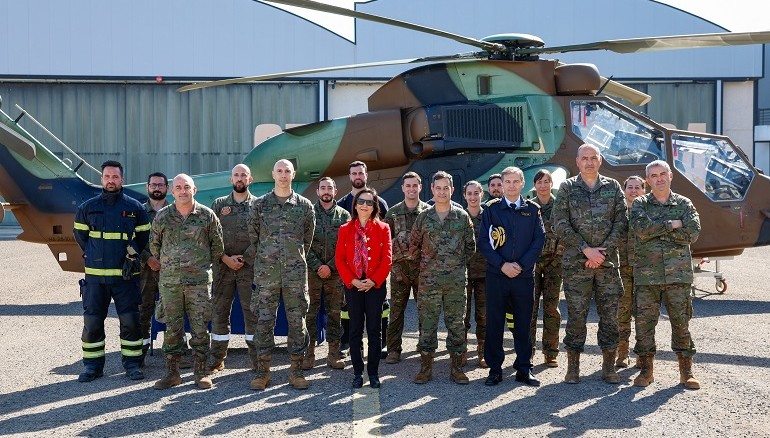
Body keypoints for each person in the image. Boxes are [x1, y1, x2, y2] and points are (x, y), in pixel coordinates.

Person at [552, 143, 627, 384]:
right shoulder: (566, 188)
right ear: (577, 161)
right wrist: (586, 250)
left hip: (606, 265)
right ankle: (573, 368)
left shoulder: (613, 187)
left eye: (593, 158)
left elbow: (621, 221)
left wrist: (601, 253)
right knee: (576, 316)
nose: (589, 162)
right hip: (577, 265)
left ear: (600, 160)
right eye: (584, 158)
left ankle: (609, 367)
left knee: (610, 317)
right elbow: (560, 223)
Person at [73, 160, 151, 382]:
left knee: (130, 322)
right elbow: (81, 237)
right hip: (96, 279)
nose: (111, 181)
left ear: (122, 180)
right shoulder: (87, 208)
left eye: (115, 177)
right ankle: (92, 367)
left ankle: (133, 364)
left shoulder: (135, 208)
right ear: (102, 179)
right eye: (107, 177)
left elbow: (143, 237)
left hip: (126, 278)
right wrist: (96, 254)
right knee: (93, 323)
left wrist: (131, 253)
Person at [630, 160, 701, 389]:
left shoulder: (684, 203)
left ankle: (686, 370)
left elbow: (693, 233)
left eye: (663, 174)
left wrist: (657, 230)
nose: (659, 179)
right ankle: (646, 369)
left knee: (681, 323)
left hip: (678, 275)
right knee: (644, 324)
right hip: (646, 276)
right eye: (653, 175)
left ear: (671, 176)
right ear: (648, 180)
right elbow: (641, 230)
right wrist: (673, 225)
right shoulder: (640, 203)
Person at [151, 174, 224, 390]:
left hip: (199, 283)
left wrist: (198, 265)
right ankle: (172, 374)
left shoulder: (207, 216)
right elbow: (155, 246)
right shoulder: (163, 217)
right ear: (172, 192)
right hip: (171, 282)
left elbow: (217, 247)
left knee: (200, 328)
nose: (183, 191)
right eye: (179, 188)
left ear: (195, 190)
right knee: (173, 329)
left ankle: (201, 373)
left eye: (187, 187)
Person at [248, 159, 315, 391]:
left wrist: (293, 259)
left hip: (295, 276)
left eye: (287, 171)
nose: (283, 175)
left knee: (297, 324)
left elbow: (307, 240)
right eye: (279, 171)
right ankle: (262, 372)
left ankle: (296, 371)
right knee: (264, 323)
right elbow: (254, 238)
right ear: (273, 174)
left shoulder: (305, 206)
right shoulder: (259, 205)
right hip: (266, 276)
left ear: (293, 174)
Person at [479, 167, 545, 387]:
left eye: (516, 181)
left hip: (523, 276)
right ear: (503, 183)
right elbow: (485, 243)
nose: (511, 185)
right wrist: (502, 265)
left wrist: (521, 265)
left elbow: (538, 241)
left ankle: (524, 369)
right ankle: (495, 369)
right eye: (507, 181)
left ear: (523, 183)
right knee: (495, 322)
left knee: (524, 323)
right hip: (497, 276)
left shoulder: (533, 210)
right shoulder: (491, 210)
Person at [409, 171, 475, 385]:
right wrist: (430, 266)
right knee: (427, 325)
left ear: (452, 190)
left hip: (455, 283)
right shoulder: (424, 217)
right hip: (429, 283)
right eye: (438, 188)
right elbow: (414, 247)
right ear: (432, 190)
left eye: (446, 188)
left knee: (456, 325)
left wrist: (453, 265)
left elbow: (470, 248)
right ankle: (425, 368)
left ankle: (456, 368)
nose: (442, 191)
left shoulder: (462, 217)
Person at [335, 188, 392, 388]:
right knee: (355, 330)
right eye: (361, 201)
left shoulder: (383, 228)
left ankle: (374, 373)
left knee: (375, 330)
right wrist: (352, 280)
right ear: (355, 205)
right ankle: (358, 373)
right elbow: (340, 260)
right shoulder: (345, 229)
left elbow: (387, 259)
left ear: (375, 206)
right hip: (353, 286)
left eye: (369, 202)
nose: (365, 205)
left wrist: (374, 280)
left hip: (375, 286)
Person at [209, 164, 258, 374]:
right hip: (223, 269)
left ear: (250, 179)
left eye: (243, 175)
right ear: (231, 180)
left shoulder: (259, 205)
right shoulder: (219, 205)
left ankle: (257, 360)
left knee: (252, 314)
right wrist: (225, 258)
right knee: (219, 313)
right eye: (236, 175)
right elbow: (212, 237)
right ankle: (217, 359)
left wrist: (244, 258)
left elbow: (262, 237)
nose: (240, 178)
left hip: (250, 269)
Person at [303, 177, 351, 371]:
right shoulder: (309, 214)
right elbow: (303, 244)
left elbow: (346, 245)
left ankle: (333, 353)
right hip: (312, 273)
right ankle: (309, 354)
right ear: (317, 191)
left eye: (329, 188)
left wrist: (330, 266)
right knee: (310, 313)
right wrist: (317, 266)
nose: (326, 191)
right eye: (322, 188)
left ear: (335, 191)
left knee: (334, 313)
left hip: (336, 272)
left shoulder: (344, 216)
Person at [383, 171, 429, 364]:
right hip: (399, 270)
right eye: (408, 186)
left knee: (425, 310)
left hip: (422, 270)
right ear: (402, 188)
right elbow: (385, 242)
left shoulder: (428, 212)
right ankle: (394, 349)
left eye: (414, 185)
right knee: (396, 310)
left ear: (420, 187)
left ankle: (424, 344)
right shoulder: (393, 212)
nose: (411, 189)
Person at [529, 169, 563, 368]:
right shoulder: (529, 206)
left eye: (546, 181)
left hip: (554, 263)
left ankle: (550, 352)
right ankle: (528, 351)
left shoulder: (560, 206)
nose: (543, 185)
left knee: (551, 308)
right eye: (539, 182)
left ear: (551, 184)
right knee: (530, 308)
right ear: (534, 185)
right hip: (532, 263)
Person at [138, 172, 170, 366]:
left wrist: (166, 261)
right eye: (153, 185)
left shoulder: (175, 211)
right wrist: (147, 258)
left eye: (160, 185)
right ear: (147, 187)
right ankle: (139, 354)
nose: (157, 188)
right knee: (143, 311)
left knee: (172, 310)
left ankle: (174, 353)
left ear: (167, 187)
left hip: (170, 270)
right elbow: (130, 240)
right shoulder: (139, 212)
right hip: (145, 270)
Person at [617, 175, 646, 368]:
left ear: (644, 190)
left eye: (637, 187)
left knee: (643, 314)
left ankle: (642, 355)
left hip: (644, 270)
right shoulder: (617, 212)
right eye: (630, 187)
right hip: (621, 269)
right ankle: (622, 353)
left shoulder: (648, 211)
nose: (633, 191)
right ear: (624, 189)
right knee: (622, 312)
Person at [462, 180, 488, 368]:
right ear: (464, 196)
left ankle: (483, 352)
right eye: (469, 194)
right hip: (463, 273)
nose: (473, 197)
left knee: (484, 316)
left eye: (476, 193)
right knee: (462, 316)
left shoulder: (489, 216)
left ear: (482, 195)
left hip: (486, 274)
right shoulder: (459, 216)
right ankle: (461, 351)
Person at [485, 173, 515, 336]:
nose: (496, 188)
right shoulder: (486, 209)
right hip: (492, 266)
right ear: (488, 188)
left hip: (510, 264)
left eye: (499, 185)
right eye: (493, 185)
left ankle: (514, 332)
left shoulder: (514, 207)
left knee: (512, 306)